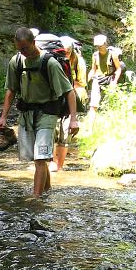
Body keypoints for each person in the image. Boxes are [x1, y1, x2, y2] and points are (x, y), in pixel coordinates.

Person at [0, 26, 78, 198]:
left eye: (25, 48)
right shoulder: (16, 62)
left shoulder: (50, 63)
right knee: (37, 157)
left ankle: (36, 199)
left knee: (40, 158)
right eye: (19, 49)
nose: (22, 52)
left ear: (34, 42)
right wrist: (3, 116)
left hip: (48, 113)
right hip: (27, 114)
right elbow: (10, 90)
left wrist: (74, 119)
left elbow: (69, 91)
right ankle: (46, 192)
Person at [50, 36, 87, 172]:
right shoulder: (53, 60)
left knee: (65, 133)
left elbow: (81, 83)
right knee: (54, 131)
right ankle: (54, 162)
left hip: (72, 98)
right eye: (63, 51)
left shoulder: (79, 61)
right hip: (56, 99)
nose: (65, 54)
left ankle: (60, 165)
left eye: (67, 52)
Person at [84, 33, 122, 133]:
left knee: (111, 103)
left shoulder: (113, 54)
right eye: (97, 46)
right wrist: (86, 81)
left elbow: (118, 69)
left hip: (109, 79)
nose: (99, 47)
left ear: (105, 44)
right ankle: (90, 130)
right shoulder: (95, 55)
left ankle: (112, 129)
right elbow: (93, 70)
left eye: (100, 45)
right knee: (93, 105)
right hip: (98, 79)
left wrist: (114, 82)